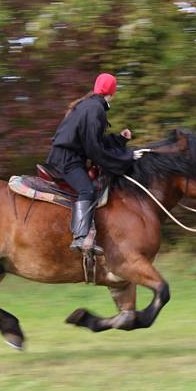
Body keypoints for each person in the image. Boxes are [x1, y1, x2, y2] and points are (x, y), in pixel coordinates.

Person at [46, 73, 147, 255]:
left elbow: (94, 142)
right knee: (88, 190)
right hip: (66, 160)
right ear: (112, 92)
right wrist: (127, 158)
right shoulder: (95, 109)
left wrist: (119, 140)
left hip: (66, 156)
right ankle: (80, 237)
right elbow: (94, 150)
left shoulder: (89, 105)